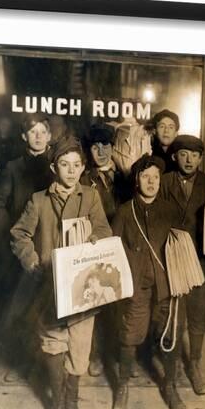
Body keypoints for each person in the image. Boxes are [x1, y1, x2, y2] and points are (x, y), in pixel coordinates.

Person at [10, 135, 112, 409]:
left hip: (83, 289)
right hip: (50, 288)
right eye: (64, 164)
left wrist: (97, 239)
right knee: (53, 344)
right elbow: (19, 235)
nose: (70, 170)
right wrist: (32, 262)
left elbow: (104, 228)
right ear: (54, 167)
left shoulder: (91, 196)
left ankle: (72, 404)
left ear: (83, 168)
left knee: (80, 348)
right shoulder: (39, 200)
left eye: (76, 165)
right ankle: (55, 406)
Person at [111, 155, 187, 409]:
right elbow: (112, 249)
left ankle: (170, 386)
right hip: (136, 288)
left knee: (170, 336)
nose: (151, 182)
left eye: (156, 177)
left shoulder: (170, 210)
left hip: (167, 286)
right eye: (145, 176)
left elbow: (183, 247)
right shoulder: (124, 211)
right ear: (136, 180)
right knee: (129, 335)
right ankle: (122, 387)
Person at [0, 113, 54, 382]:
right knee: (22, 309)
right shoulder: (14, 168)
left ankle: (52, 367)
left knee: (52, 308)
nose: (37, 136)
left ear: (49, 135)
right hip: (22, 249)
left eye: (42, 131)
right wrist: (7, 236)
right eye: (32, 131)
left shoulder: (58, 164)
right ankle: (23, 364)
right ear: (24, 136)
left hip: (51, 244)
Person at [161, 135, 205, 395]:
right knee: (174, 316)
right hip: (172, 258)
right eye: (184, 154)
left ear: (200, 158)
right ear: (175, 156)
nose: (189, 160)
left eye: (195, 155)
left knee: (198, 315)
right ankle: (171, 368)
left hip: (199, 258)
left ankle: (195, 364)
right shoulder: (164, 181)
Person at [81, 124, 126, 376]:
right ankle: (96, 354)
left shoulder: (125, 177)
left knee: (119, 301)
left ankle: (117, 354)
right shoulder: (84, 178)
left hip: (120, 246)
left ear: (113, 147)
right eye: (95, 147)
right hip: (95, 247)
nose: (100, 152)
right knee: (95, 302)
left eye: (105, 146)